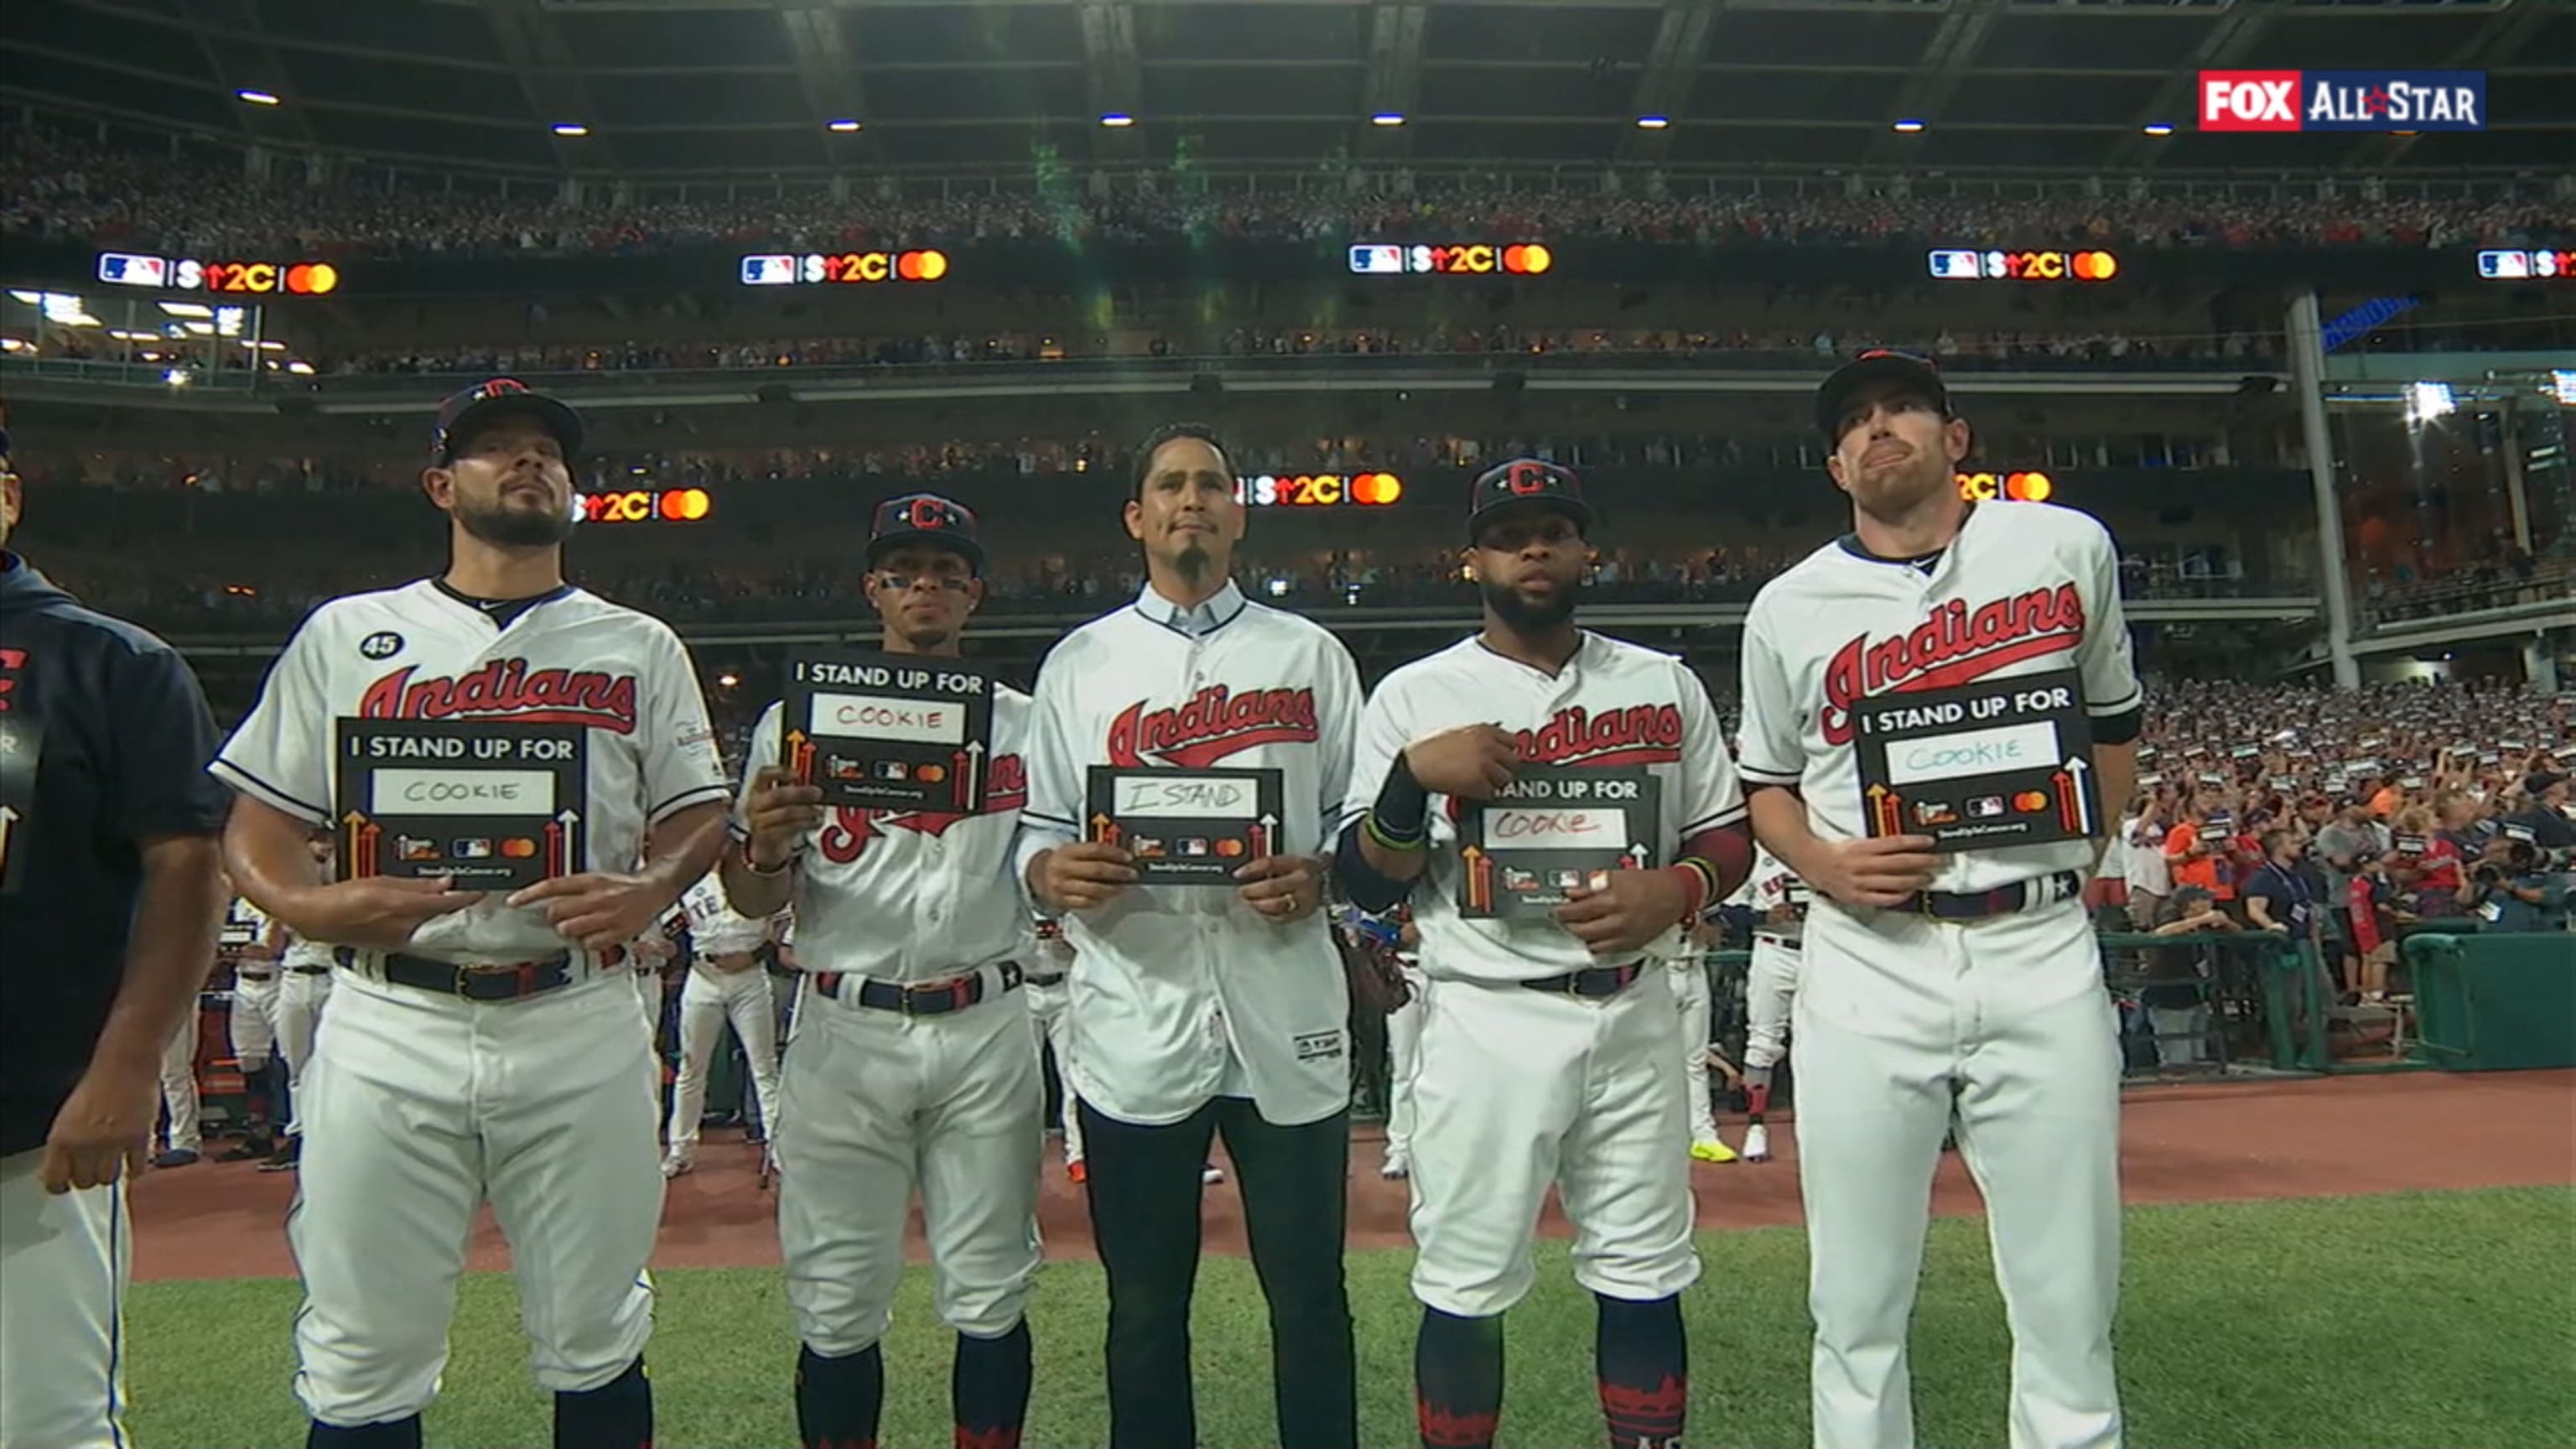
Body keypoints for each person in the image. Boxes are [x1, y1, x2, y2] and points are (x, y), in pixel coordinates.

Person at [210, 379, 732, 1449]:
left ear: (575, 491)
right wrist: (312, 903)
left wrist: (649, 888)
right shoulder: (349, 634)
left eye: (548, 450)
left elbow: (699, 814)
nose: (529, 462)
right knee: (362, 1349)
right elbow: (255, 826)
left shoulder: (638, 643)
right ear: (443, 484)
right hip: (389, 1014)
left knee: (597, 1331)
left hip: (575, 1010)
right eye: (496, 449)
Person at [1736, 351, 2142, 1449]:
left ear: (1955, 438)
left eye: (1904, 408)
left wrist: (2075, 851)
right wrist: (1819, 865)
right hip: (1869, 957)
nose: (1881, 429)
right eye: (1856, 421)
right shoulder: (1788, 607)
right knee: (1856, 1298)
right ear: (1835, 465)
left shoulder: (2062, 545)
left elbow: (2113, 725)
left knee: (2068, 1290)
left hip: (2039, 941)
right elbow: (1767, 787)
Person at [1335, 459, 1750, 1449]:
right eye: (1511, 532)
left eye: (1554, 529)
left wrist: (1678, 889)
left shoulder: (1663, 681)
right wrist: (1407, 781)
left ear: (1584, 550)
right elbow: (1367, 881)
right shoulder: (1414, 694)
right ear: (1470, 557)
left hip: (1634, 1000)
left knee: (1647, 1268)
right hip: (1486, 1008)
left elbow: (1726, 834)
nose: (1534, 547)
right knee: (1467, 1278)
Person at [1015, 423, 1360, 1449]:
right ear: (1137, 517)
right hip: (1136, 1009)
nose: (1192, 499)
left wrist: (1325, 872)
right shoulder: (1080, 663)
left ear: (1239, 512)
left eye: (1213, 482)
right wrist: (1048, 869)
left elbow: (1355, 816)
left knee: (1309, 1298)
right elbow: (1037, 827)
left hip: (1285, 1001)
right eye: (1169, 484)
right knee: (1143, 1306)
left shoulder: (1311, 655)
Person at [722, 493, 1044, 1449]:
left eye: (947, 573)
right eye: (905, 572)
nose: (926, 587)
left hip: (984, 1017)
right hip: (843, 1020)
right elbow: (750, 898)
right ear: (874, 590)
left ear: (974, 595)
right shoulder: (800, 719)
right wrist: (770, 849)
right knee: (835, 1294)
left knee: (990, 1285)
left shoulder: (1025, 722)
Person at [0, 420, 234, 1449]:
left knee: (48, 1425)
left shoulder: (106, 660)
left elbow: (188, 866)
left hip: (29, 1118)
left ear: (8, 497)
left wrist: (125, 1068)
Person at [660, 870, 784, 1178]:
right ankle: (680, 1149)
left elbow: (781, 928)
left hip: (750, 977)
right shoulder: (692, 878)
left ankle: (778, 1149)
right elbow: (670, 929)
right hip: (704, 974)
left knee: (764, 1067)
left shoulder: (759, 877)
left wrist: (757, 953)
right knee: (692, 1068)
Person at [264, 834, 340, 1173]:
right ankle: (299, 1135)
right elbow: (273, 945)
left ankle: (333, 1134)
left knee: (334, 1062)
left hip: (334, 975)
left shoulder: (342, 886)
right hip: (294, 976)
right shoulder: (289, 892)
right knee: (295, 1061)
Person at [1736, 849, 1808, 1164]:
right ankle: (1755, 1129)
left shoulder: (1824, 839)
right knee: (1763, 1043)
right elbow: (1726, 910)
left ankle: (1817, 1126)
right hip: (1773, 950)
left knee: (1826, 1043)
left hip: (1820, 947)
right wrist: (1765, 917)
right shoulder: (1755, 853)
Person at [216, 894, 284, 1162]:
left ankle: (299, 1134)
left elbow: (274, 948)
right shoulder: (240, 905)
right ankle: (259, 1134)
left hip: (279, 980)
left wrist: (248, 949)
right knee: (249, 1060)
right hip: (244, 983)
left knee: (293, 1060)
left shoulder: (281, 897)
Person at [1024, 917, 1088, 1181]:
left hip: (1064, 985)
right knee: (1026, 1082)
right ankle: (1025, 1156)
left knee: (1072, 1075)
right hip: (1023, 988)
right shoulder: (1012, 891)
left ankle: (1078, 1154)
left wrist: (1074, 937)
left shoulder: (1065, 890)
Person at [1669, 913, 1737, 1163]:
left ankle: (1703, 1135)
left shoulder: (1696, 877)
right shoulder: (1646, 874)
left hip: (1695, 966)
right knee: (1646, 1059)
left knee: (1694, 1061)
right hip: (1657, 968)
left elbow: (1718, 920)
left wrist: (1711, 929)